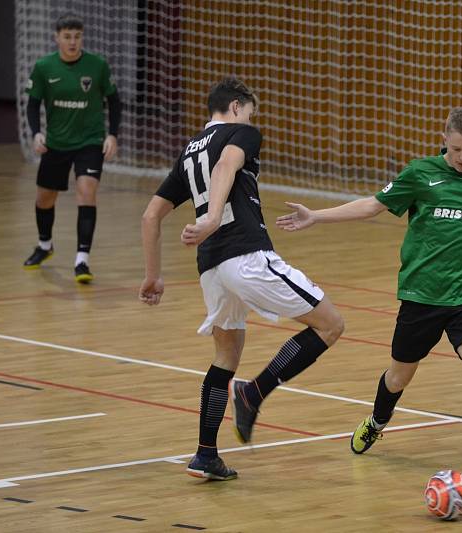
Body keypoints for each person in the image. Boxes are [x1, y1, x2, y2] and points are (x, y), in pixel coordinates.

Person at [276, 107, 462, 487]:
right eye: (458, 149)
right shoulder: (419, 174)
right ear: (444, 139)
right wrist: (317, 216)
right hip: (422, 298)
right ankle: (377, 421)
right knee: (398, 377)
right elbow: (372, 206)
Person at [139, 77, 344, 481]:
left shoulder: (187, 152)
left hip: (211, 267)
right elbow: (227, 164)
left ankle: (205, 455)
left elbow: (150, 216)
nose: (253, 119)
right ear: (235, 106)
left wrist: (152, 277)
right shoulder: (242, 132)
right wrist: (213, 218)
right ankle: (255, 392)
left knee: (226, 355)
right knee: (331, 324)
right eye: (251, 110)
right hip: (246, 254)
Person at [23, 14, 121, 283]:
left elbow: (114, 102)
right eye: (67, 36)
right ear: (57, 38)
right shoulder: (44, 67)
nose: (72, 42)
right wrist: (37, 133)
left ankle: (82, 261)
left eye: (77, 36)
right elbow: (33, 104)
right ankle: (45, 246)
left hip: (90, 141)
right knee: (45, 198)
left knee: (86, 191)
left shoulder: (97, 66)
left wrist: (112, 135)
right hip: (56, 143)